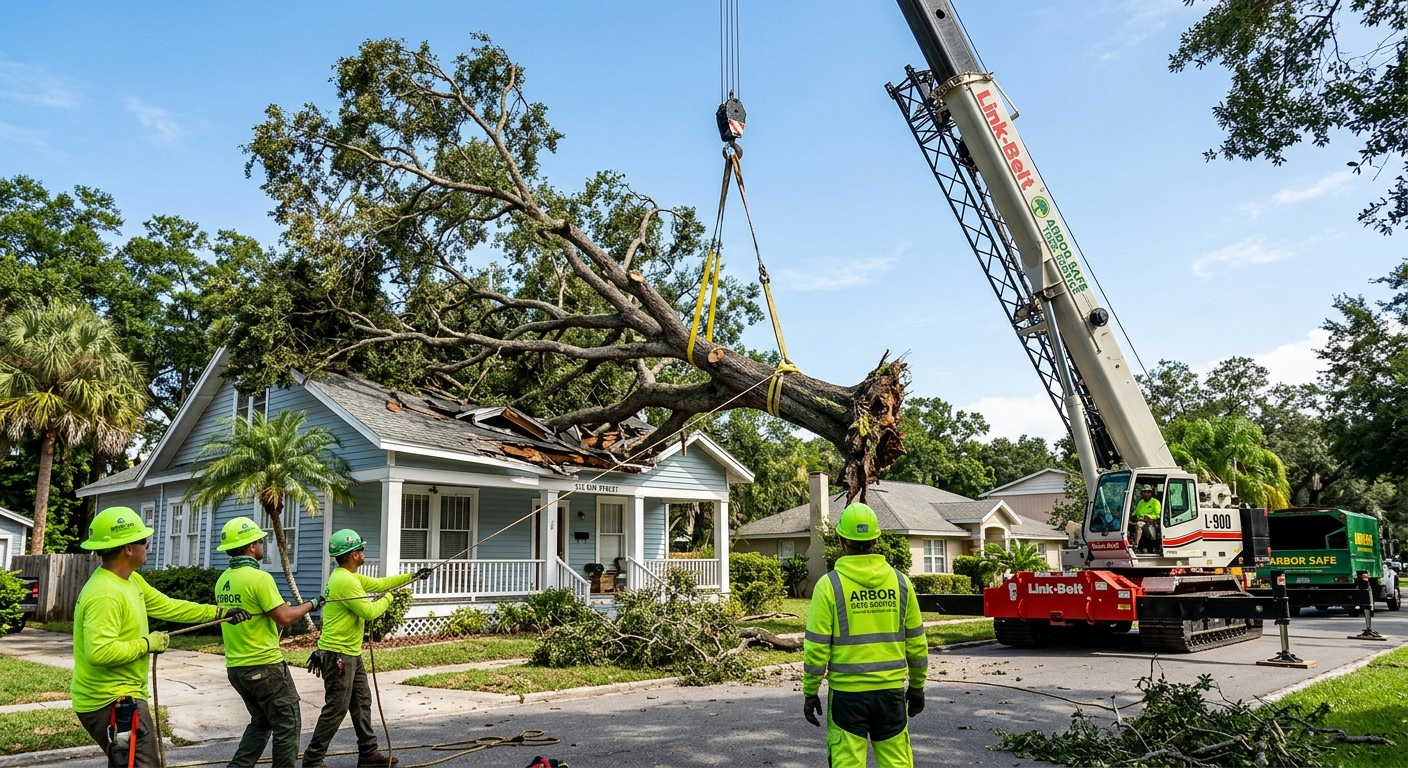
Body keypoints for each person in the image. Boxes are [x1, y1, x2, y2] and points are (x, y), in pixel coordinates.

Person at [71, 506, 251, 768]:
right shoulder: (105, 593)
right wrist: (148, 643)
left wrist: (219, 612)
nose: (148, 544)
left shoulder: (130, 581)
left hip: (119, 697)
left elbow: (168, 606)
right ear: (128, 548)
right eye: (143, 540)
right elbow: (99, 652)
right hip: (111, 702)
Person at [802, 503, 927, 768]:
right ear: (875, 541)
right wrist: (917, 687)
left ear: (841, 541)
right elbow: (917, 643)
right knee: (897, 763)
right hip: (890, 693)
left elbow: (816, 647)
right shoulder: (901, 583)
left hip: (848, 696)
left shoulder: (830, 585)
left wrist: (810, 692)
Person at [302, 530, 432, 768]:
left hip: (350, 653)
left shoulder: (347, 575)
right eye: (360, 549)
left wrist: (412, 577)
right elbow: (370, 612)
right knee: (336, 708)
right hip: (337, 654)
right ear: (352, 555)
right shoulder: (345, 581)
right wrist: (391, 598)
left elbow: (380, 583)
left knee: (361, 701)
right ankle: (312, 760)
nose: (363, 552)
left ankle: (368, 754)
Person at [215, 516, 322, 768]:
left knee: (262, 722)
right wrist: (312, 604)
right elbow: (284, 618)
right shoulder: (259, 579)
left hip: (237, 668)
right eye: (260, 541)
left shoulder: (223, 581)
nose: (263, 544)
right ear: (251, 546)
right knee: (288, 723)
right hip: (264, 667)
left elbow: (262, 612)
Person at [1131, 485, 1162, 552]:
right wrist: (1131, 517)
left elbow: (1157, 515)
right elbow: (1136, 513)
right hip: (1139, 519)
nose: (1146, 494)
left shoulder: (1155, 502)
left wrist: (1149, 517)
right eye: (1144, 492)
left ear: (1151, 493)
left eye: (1148, 492)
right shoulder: (1140, 502)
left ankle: (1136, 546)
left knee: (1139, 525)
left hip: (1149, 522)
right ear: (1142, 493)